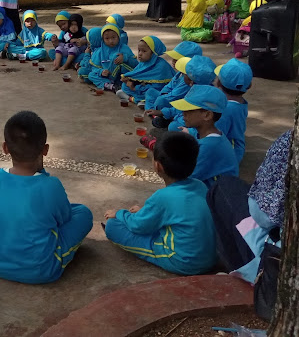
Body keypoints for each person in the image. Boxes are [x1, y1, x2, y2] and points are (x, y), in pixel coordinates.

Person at [0, 111, 93, 284]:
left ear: (5, 148)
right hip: (40, 270)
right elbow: (65, 219)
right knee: (83, 213)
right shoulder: (51, 185)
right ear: (45, 150)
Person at [104, 132, 217, 275]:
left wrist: (120, 214)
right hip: (210, 257)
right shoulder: (200, 185)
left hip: (183, 261)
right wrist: (144, 212)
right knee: (153, 219)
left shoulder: (163, 197)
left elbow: (137, 226)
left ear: (157, 166)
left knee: (113, 227)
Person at [207, 130, 290, 283]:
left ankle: (244, 277)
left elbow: (265, 216)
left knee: (223, 187)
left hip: (277, 260)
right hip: (282, 248)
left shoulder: (290, 142)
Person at [170, 85, 239, 187]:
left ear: (207, 115)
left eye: (188, 110)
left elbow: (186, 178)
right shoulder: (213, 134)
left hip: (215, 196)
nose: (183, 114)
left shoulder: (209, 146)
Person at [143, 55, 216, 137]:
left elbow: (190, 116)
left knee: (173, 126)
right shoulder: (198, 89)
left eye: (185, 74)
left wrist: (188, 129)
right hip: (186, 118)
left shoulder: (200, 94)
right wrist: (162, 112)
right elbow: (183, 107)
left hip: (197, 127)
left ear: (190, 80)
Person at [144, 41, 203, 111]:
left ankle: (158, 112)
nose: (173, 61)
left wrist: (163, 97)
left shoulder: (189, 79)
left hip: (177, 101)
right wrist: (164, 94)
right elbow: (168, 86)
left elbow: (175, 96)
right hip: (168, 96)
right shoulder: (179, 73)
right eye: (174, 58)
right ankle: (152, 111)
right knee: (150, 92)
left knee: (161, 101)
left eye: (177, 59)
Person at [118, 36, 175, 107]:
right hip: (142, 88)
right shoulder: (143, 63)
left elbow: (158, 86)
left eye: (144, 51)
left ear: (153, 52)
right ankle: (138, 99)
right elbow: (137, 76)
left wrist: (135, 88)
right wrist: (128, 80)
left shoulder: (161, 66)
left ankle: (136, 99)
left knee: (150, 92)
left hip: (156, 90)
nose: (140, 54)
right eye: (139, 50)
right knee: (124, 86)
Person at [214, 59, 252, 164]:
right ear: (249, 86)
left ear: (218, 83)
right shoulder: (240, 103)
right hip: (236, 148)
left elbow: (215, 135)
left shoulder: (225, 110)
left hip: (228, 155)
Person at [87, 24, 137, 91]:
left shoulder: (124, 48)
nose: (111, 41)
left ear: (118, 37)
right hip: (108, 77)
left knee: (115, 56)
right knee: (91, 75)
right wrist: (101, 71)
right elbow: (94, 68)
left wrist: (125, 58)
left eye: (113, 37)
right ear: (103, 39)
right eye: (107, 38)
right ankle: (110, 86)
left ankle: (123, 84)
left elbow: (135, 64)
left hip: (122, 77)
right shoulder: (100, 51)